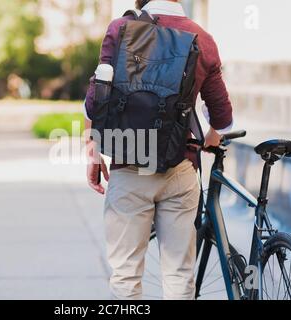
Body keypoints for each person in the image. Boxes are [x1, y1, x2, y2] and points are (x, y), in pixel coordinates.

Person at [83, 0, 233, 299]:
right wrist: (212, 136)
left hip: (128, 165)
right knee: (178, 274)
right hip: (180, 167)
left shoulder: (121, 28)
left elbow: (94, 99)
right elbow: (223, 119)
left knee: (125, 275)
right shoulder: (202, 37)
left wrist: (92, 147)